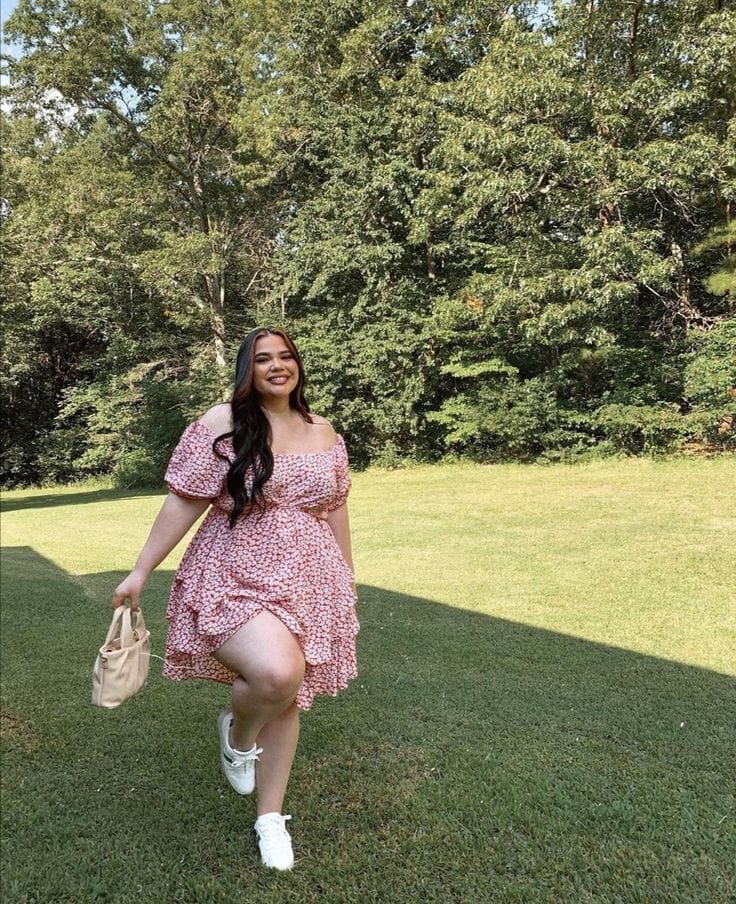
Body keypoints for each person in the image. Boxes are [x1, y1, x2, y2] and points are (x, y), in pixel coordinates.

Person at [112, 327, 359, 871]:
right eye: (263, 359)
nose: (277, 366)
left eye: (286, 356)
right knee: (275, 673)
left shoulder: (322, 430)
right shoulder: (222, 423)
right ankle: (239, 736)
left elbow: (336, 505)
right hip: (233, 569)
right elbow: (184, 500)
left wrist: (346, 576)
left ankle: (271, 819)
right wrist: (140, 570)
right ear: (247, 368)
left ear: (298, 366)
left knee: (288, 692)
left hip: (308, 577)